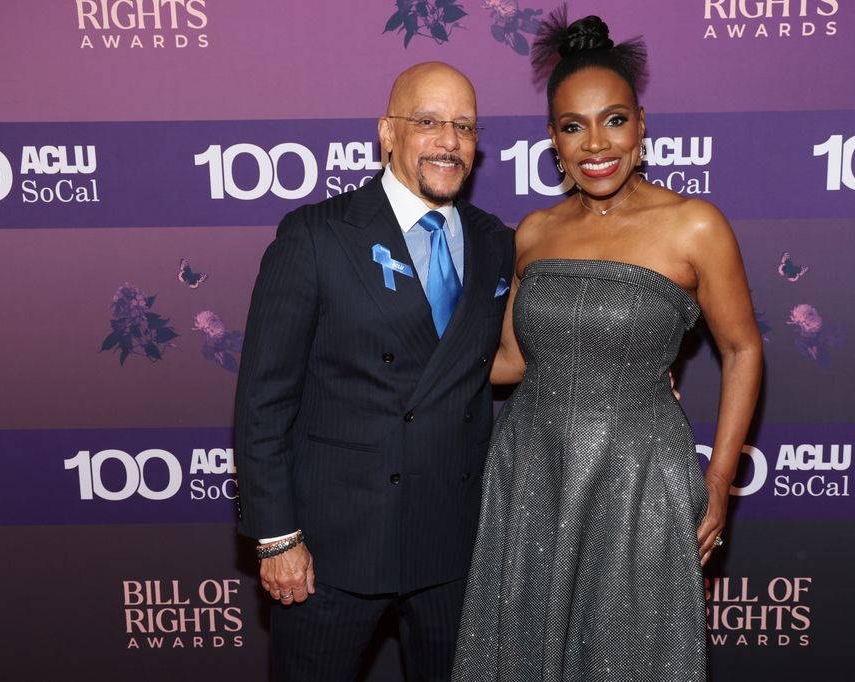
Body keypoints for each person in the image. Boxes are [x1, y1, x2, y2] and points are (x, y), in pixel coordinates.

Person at [452, 11, 763, 682]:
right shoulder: (532, 233)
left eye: (614, 120)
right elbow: (508, 360)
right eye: (573, 126)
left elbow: (742, 351)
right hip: (532, 472)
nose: (596, 143)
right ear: (553, 141)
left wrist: (717, 485)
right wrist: (398, 366)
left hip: (639, 480)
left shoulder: (694, 226)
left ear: (642, 124)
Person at [234, 62, 515, 681]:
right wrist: (278, 537)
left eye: (464, 126)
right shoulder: (315, 237)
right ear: (388, 132)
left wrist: (624, 368)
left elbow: (514, 356)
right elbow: (263, 401)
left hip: (453, 548)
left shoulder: (496, 241)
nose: (449, 141)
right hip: (333, 550)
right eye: (428, 122)